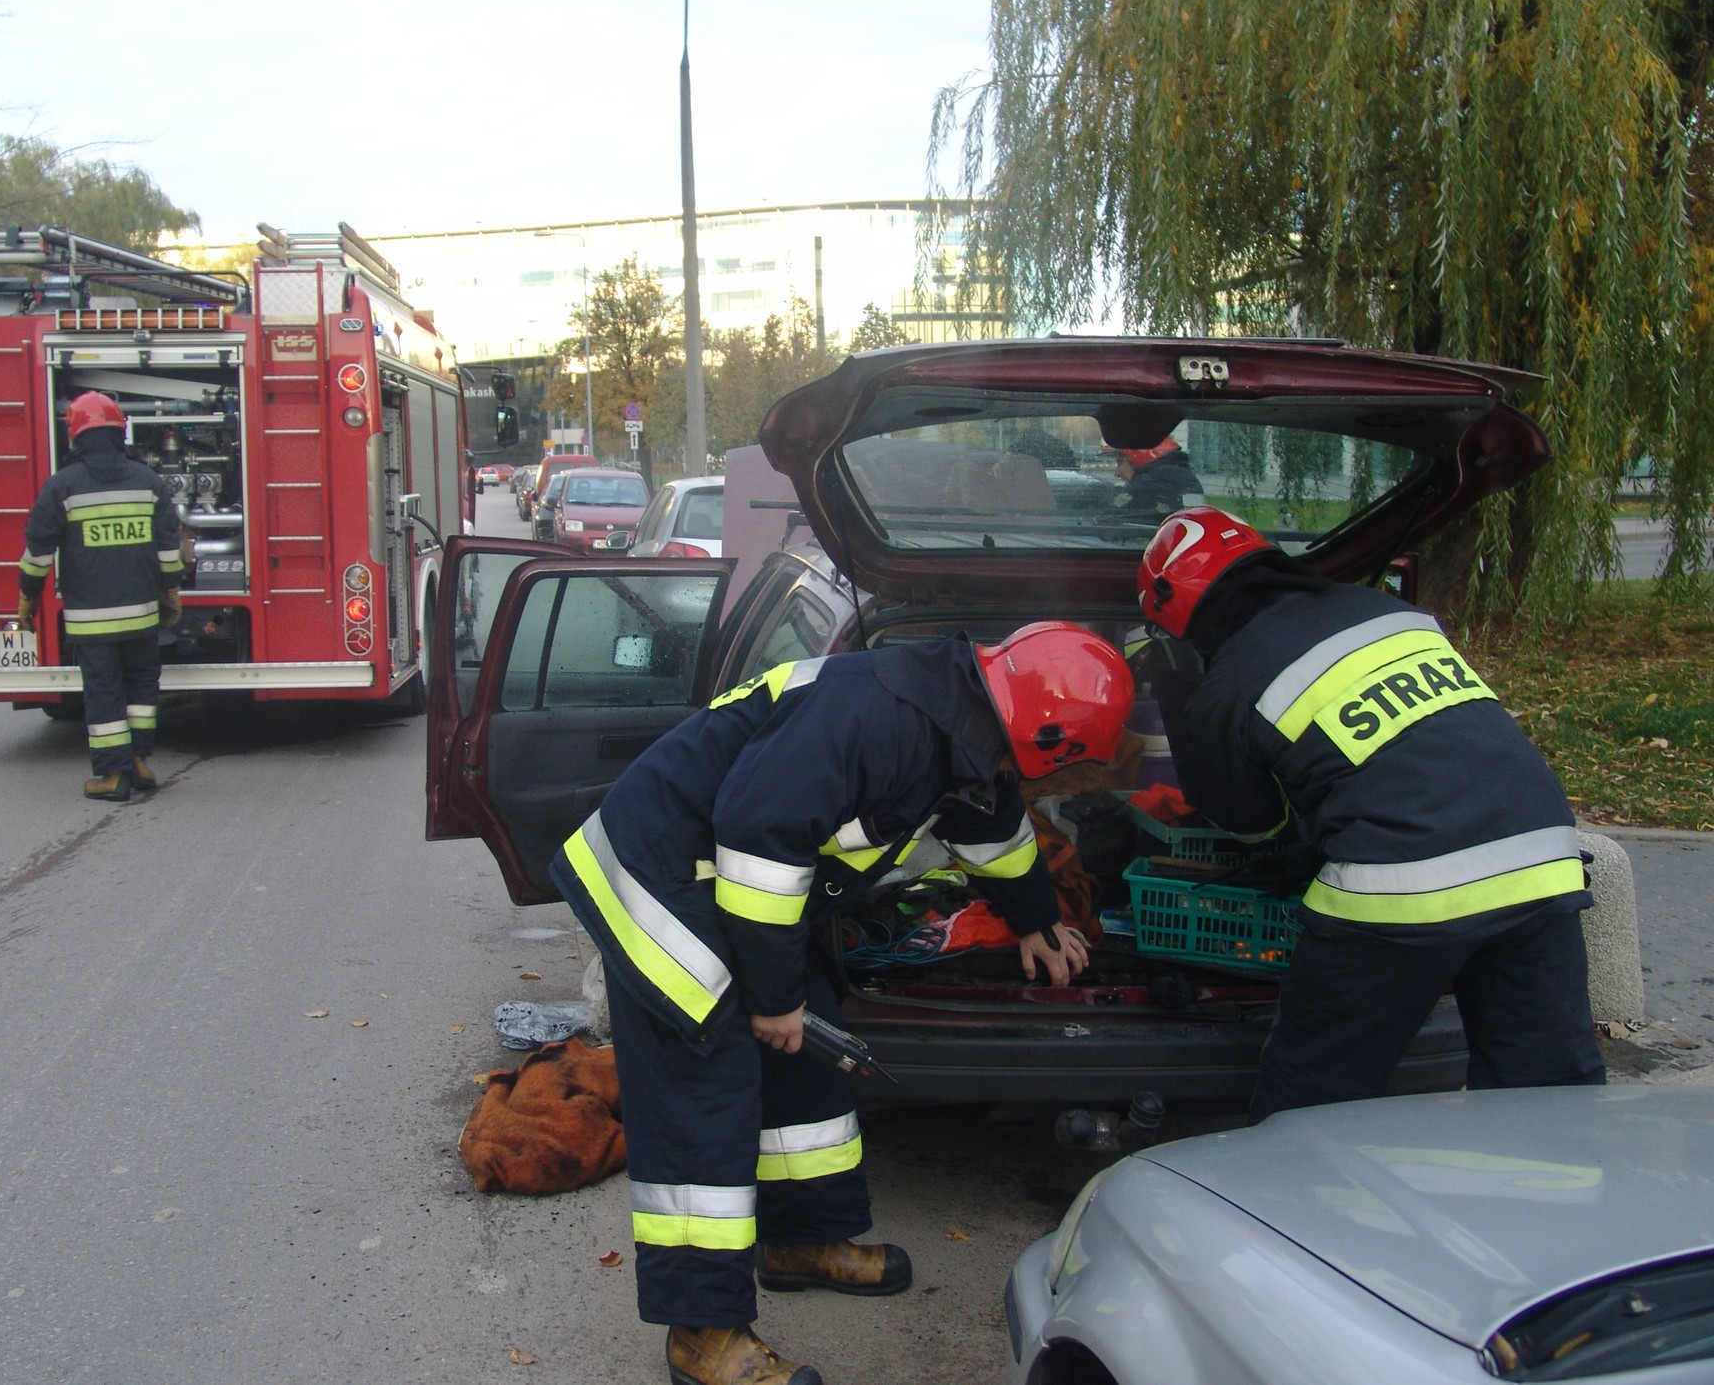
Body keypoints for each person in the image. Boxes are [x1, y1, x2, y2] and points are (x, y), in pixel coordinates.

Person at [550, 622, 1133, 1385]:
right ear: (1050, 737)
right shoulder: (876, 719)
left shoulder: (967, 718)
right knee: (705, 1090)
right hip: (655, 875)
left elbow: (992, 826)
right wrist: (770, 998)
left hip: (726, 880)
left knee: (806, 1048)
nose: (1065, 787)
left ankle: (801, 1242)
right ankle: (702, 1335)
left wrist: (1037, 919)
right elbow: (759, 842)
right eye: (1074, 771)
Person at [1134, 506, 1605, 1124]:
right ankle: (1557, 1204)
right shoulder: (1393, 614)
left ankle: (1288, 1205)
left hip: (1402, 886)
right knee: (1547, 1081)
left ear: (1176, 613)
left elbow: (1253, 827)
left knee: (1317, 1084)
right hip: (1541, 856)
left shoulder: (1229, 682)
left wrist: (1180, 699)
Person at [16, 392, 184, 802]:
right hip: (143, 615)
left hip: (91, 622)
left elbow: (38, 550)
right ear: (119, 431)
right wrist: (171, 590)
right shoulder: (148, 483)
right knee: (144, 685)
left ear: (75, 436)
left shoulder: (62, 487)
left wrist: (28, 598)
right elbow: (168, 546)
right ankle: (140, 761)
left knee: (103, 691)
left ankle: (112, 775)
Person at [1105, 437, 1205, 523]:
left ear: (1136, 457)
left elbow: (1109, 515)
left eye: (1119, 462)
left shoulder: (1148, 485)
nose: (1116, 473)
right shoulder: (1179, 476)